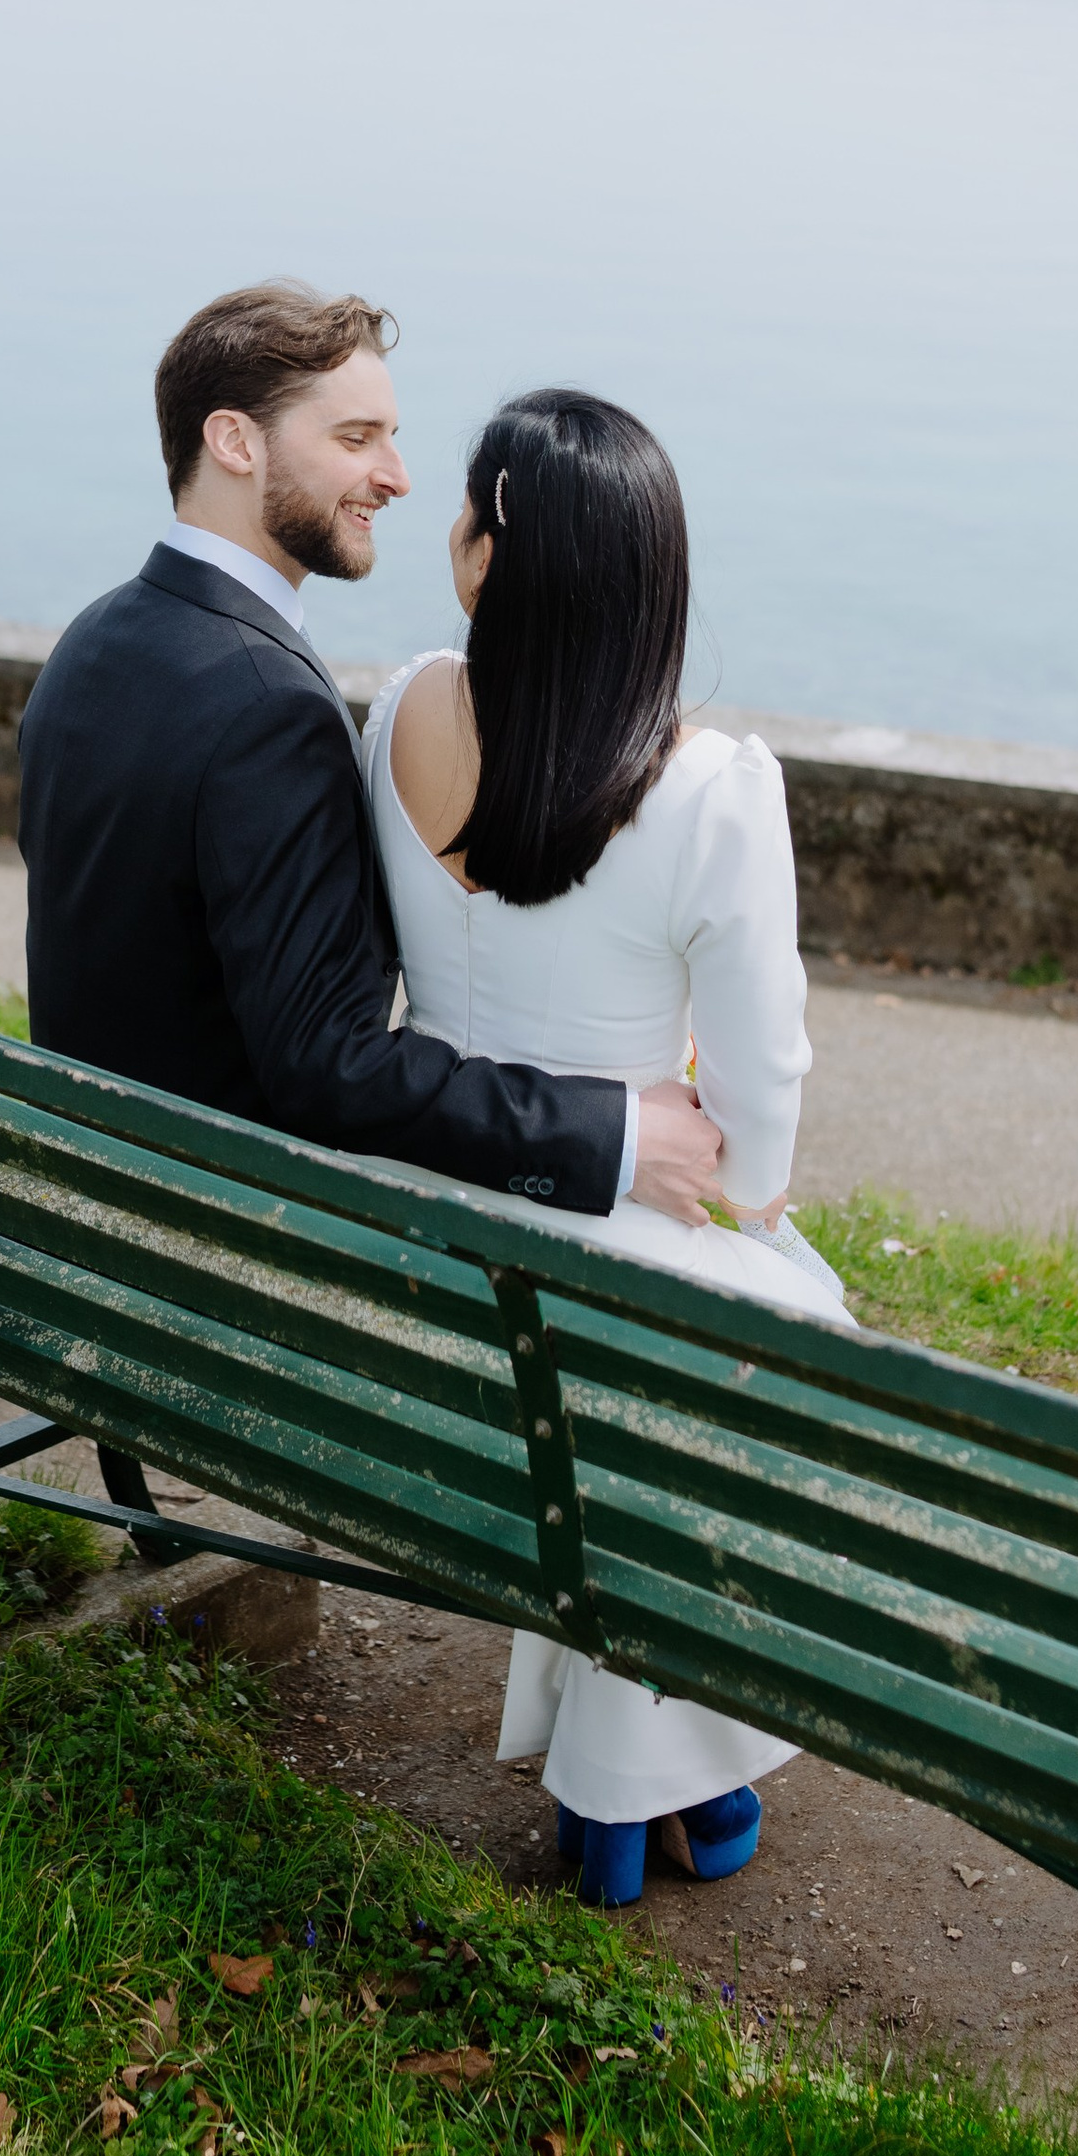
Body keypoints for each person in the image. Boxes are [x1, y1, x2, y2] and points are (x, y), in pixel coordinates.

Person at [363, 384, 854, 1909]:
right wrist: (749, 1200)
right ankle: (639, 1799)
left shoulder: (396, 714)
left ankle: (634, 1793)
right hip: (605, 1235)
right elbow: (762, 1083)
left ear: (490, 554)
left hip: (421, 1251)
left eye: (461, 507)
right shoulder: (709, 787)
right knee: (763, 1337)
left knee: (605, 1384)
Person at [18, 281, 725, 1225]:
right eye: (356, 439)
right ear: (235, 442)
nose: (395, 475)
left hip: (100, 1194)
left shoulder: (92, 641)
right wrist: (617, 1135)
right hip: (216, 1234)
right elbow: (329, 1065)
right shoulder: (269, 707)